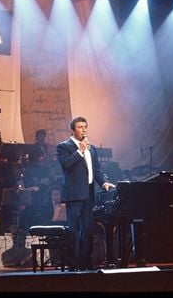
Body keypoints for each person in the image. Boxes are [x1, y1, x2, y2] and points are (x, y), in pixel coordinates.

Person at [56, 116, 115, 271]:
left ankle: (85, 261)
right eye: (80, 127)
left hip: (89, 193)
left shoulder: (92, 148)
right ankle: (73, 263)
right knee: (73, 229)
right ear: (73, 130)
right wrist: (80, 150)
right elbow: (66, 165)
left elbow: (96, 170)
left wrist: (103, 182)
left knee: (87, 228)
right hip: (74, 194)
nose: (84, 130)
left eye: (85, 127)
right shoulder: (63, 147)